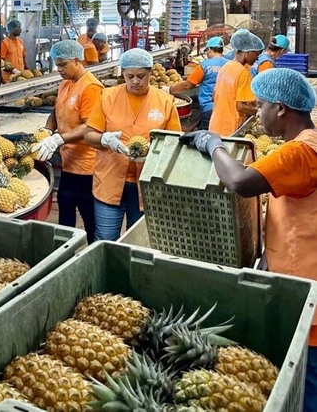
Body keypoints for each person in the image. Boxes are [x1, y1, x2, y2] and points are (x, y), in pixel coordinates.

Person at [181, 68, 317, 412]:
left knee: (307, 387)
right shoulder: (308, 144)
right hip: (299, 274)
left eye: (261, 106)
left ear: (281, 109)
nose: (257, 114)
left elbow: (240, 182)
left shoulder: (301, 153)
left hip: (309, 291)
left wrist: (214, 145)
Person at [84, 48, 181, 240]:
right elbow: (89, 135)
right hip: (109, 180)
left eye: (141, 76)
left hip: (147, 185)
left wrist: (156, 151)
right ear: (123, 74)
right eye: (130, 76)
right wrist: (104, 140)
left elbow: (175, 142)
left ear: (150, 72)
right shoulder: (107, 97)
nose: (135, 81)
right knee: (105, 238)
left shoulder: (165, 101)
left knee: (137, 241)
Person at [31, 40, 103, 243]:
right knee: (65, 209)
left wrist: (59, 138)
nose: (59, 69)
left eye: (63, 64)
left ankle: (95, 249)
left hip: (87, 164)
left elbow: (90, 126)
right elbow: (56, 111)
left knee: (89, 214)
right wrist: (48, 130)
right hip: (69, 161)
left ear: (78, 60)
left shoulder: (90, 87)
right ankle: (66, 251)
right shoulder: (66, 83)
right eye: (57, 65)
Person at [208, 29, 264, 136]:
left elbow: (214, 96)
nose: (257, 58)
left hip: (215, 125)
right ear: (247, 52)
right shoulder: (243, 73)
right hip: (231, 128)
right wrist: (260, 113)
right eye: (257, 54)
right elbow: (240, 106)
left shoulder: (226, 67)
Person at [170, 37, 227, 130]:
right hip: (226, 108)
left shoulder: (204, 65)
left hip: (209, 108)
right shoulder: (230, 64)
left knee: (208, 135)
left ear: (209, 50)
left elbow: (187, 85)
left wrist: (170, 90)